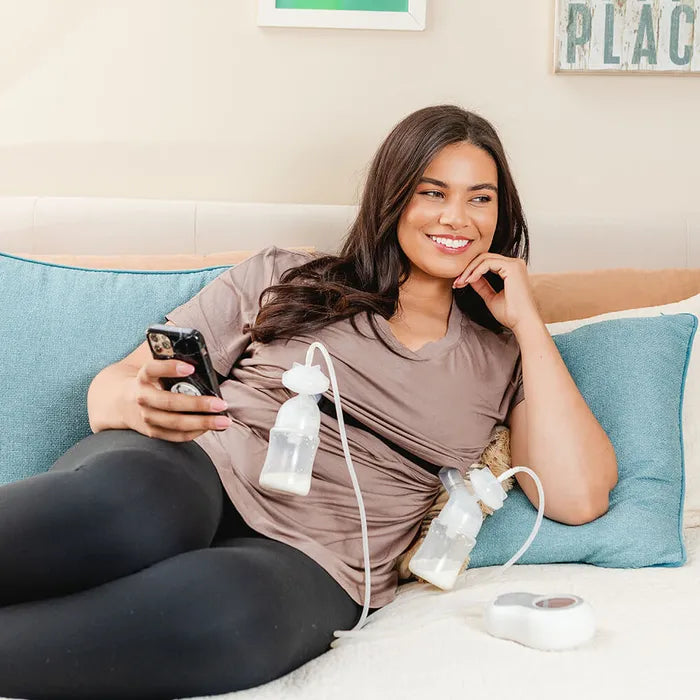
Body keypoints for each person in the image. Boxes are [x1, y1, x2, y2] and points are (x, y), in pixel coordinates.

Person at [0, 104, 618, 700]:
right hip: (197, 464)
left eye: (479, 197)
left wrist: (529, 322)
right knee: (129, 512)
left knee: (227, 616)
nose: (457, 217)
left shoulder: (502, 358)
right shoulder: (290, 276)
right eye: (433, 192)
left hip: (316, 554)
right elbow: (117, 383)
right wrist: (136, 405)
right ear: (393, 196)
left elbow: (578, 497)